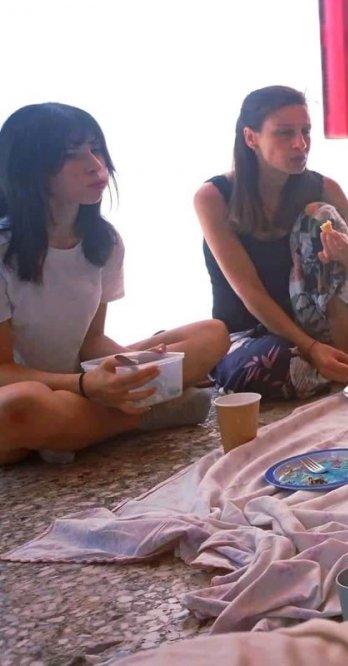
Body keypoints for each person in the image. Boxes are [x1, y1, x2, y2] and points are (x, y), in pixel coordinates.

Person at [0, 103, 230, 466]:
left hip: (78, 381)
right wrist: (84, 386)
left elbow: (91, 341)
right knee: (21, 406)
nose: (95, 164)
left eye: (96, 148)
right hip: (27, 391)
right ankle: (144, 415)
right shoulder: (4, 250)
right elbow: (3, 370)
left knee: (213, 333)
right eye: (72, 155)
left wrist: (130, 365)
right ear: (30, 170)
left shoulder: (103, 241)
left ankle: (79, 426)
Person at [196, 86, 348, 400]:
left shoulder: (325, 188)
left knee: (322, 215)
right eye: (284, 133)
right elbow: (250, 293)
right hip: (247, 333)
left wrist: (347, 253)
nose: (300, 144)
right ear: (251, 138)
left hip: (314, 327)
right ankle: (330, 356)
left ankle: (344, 348)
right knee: (261, 367)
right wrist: (312, 349)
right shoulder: (213, 197)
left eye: (306, 132)